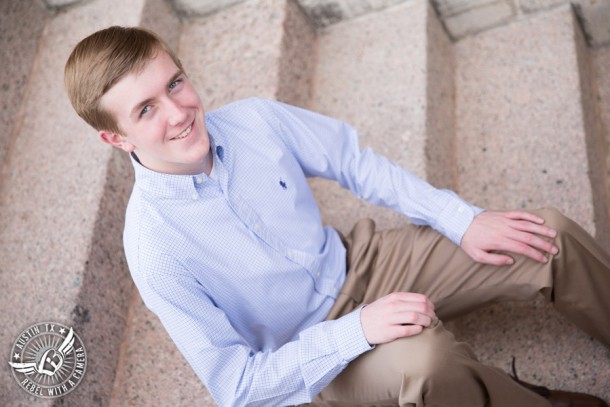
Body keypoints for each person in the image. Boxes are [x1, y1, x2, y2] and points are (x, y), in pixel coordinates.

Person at [64, 25, 610, 407]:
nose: (180, 112)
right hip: (313, 348)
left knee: (546, 236)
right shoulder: (155, 248)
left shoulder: (254, 120)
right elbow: (234, 386)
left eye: (175, 84)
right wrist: (355, 331)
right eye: (146, 109)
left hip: (360, 261)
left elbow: (354, 162)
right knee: (429, 364)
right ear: (115, 137)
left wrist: (460, 218)